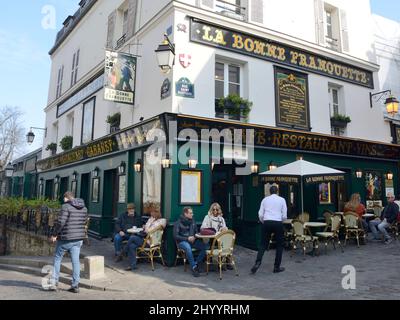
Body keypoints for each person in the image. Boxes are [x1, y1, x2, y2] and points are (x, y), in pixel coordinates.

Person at [49, 191, 88, 293]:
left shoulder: (65, 206)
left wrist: (54, 235)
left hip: (66, 238)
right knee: (76, 261)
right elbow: (84, 222)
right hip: (78, 239)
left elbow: (61, 222)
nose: (63, 200)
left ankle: (54, 283)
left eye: (64, 199)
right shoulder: (84, 208)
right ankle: (75, 285)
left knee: (57, 258)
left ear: (66, 198)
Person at [251, 185, 287, 274]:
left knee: (263, 244)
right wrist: (281, 220)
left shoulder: (265, 200)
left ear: (270, 192)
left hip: (267, 222)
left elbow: (260, 214)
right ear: (277, 191)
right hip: (278, 222)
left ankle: (257, 263)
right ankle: (276, 267)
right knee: (279, 245)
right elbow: (284, 215)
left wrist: (263, 221)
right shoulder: (282, 200)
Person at [173, 207, 207, 277]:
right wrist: (187, 238)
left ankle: (196, 263)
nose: (192, 214)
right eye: (191, 213)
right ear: (185, 214)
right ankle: (194, 268)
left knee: (205, 246)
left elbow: (196, 232)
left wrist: (194, 237)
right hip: (182, 242)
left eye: (192, 213)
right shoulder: (178, 223)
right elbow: (175, 236)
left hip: (192, 241)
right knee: (187, 247)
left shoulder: (193, 221)